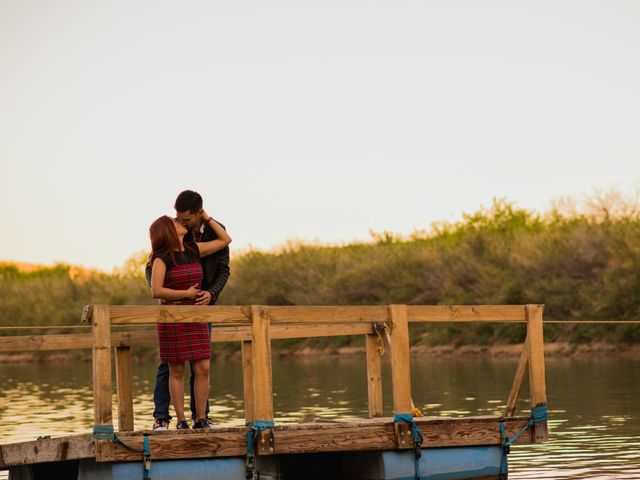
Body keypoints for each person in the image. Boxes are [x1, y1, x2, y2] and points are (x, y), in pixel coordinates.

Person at [147, 191, 231, 429]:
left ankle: (201, 418)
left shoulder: (195, 245)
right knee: (172, 366)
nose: (180, 222)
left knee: (202, 366)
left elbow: (225, 253)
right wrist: (175, 295)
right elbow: (154, 283)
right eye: (177, 220)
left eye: (184, 219)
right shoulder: (162, 254)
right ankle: (166, 418)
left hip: (200, 311)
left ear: (198, 214)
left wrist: (211, 293)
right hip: (173, 313)